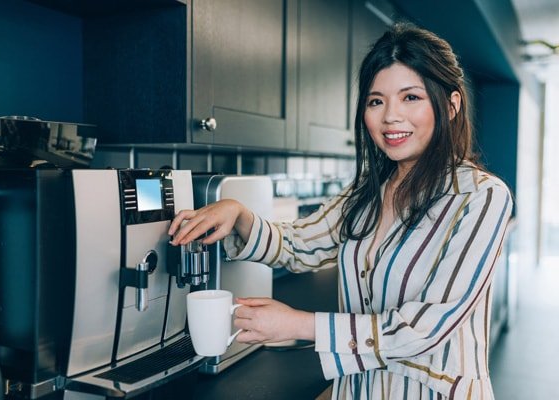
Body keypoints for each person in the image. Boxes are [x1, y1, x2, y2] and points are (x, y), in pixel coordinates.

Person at [169, 22, 513, 399]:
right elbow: (298, 244)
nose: (390, 117)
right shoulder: (367, 192)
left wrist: (298, 325)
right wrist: (239, 213)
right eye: (375, 101)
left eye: (411, 97)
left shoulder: (482, 197)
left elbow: (426, 329)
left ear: (450, 105)